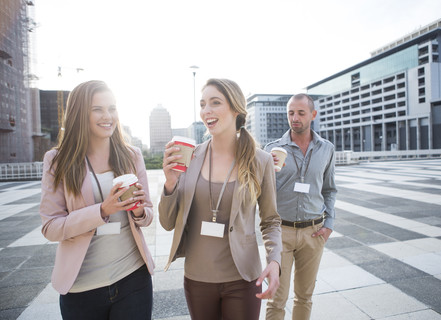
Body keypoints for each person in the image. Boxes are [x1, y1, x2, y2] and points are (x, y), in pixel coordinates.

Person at [159, 78, 282, 320]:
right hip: (197, 278)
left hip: (243, 278)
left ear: (236, 109)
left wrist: (275, 260)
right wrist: (170, 183)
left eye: (215, 103)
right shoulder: (190, 157)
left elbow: (271, 221)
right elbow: (166, 222)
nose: (207, 111)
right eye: (203, 104)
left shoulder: (261, 161)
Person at [39, 80, 155, 320]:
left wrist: (139, 211)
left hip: (133, 278)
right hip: (82, 288)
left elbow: (147, 217)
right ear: (80, 113)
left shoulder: (131, 155)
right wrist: (101, 210)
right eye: (98, 109)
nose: (108, 116)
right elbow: (50, 227)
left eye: (112, 108)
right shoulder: (57, 161)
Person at [264, 93, 337, 320]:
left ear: (313, 115)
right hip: (281, 232)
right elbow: (262, 192)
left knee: (304, 296)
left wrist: (329, 224)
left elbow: (329, 189)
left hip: (313, 233)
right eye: (291, 113)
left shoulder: (327, 149)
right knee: (277, 298)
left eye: (301, 113)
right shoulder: (272, 149)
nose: (294, 118)